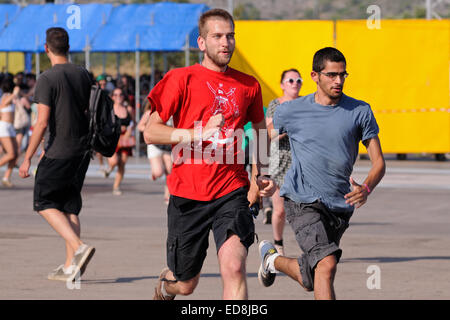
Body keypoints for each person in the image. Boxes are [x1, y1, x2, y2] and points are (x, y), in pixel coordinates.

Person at [144, 8, 276, 300]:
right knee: (186, 284)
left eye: (230, 36)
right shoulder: (181, 78)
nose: (225, 42)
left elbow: (259, 129)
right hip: (187, 194)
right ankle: (166, 288)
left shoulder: (248, 84)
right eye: (217, 36)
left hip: (231, 191)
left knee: (234, 267)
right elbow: (151, 132)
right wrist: (194, 134)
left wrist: (262, 172)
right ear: (201, 43)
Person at [257, 47, 386, 300]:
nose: (338, 81)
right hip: (302, 199)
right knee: (326, 265)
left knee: (311, 277)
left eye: (342, 75)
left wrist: (367, 187)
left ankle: (272, 261)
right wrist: (256, 178)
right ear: (315, 76)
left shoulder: (360, 111)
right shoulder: (293, 110)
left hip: (339, 204)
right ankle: (273, 260)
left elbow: (379, 162)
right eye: (331, 75)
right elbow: (263, 138)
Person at [19, 27, 95, 282]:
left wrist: (27, 157)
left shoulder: (47, 78)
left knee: (44, 202)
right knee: (69, 206)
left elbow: (41, 123)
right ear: (68, 47)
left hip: (58, 151)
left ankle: (79, 246)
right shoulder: (83, 74)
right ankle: (70, 266)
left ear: (46, 48)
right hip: (82, 151)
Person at [265, 68, 303, 255]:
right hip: (279, 161)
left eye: (298, 80)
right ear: (282, 85)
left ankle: (310, 245)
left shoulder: (307, 104)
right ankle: (278, 243)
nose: (295, 84)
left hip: (301, 161)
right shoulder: (275, 105)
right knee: (279, 210)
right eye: (290, 80)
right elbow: (270, 133)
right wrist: (287, 130)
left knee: (302, 209)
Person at [138, 100, 172, 204]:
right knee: (158, 172)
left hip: (167, 144)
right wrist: (151, 132)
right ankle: (154, 173)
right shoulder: (150, 113)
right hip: (154, 144)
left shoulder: (172, 113)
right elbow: (140, 126)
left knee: (170, 171)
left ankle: (168, 195)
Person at [103, 87, 135, 196]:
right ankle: (109, 169)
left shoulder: (128, 109)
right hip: (113, 137)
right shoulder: (109, 109)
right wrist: (117, 128)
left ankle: (116, 186)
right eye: (115, 95)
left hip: (125, 138)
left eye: (120, 94)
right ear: (112, 97)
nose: (118, 97)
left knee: (122, 164)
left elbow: (132, 122)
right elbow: (104, 124)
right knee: (114, 161)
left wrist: (129, 131)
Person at [0, 78, 19, 187]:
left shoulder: (11, 97)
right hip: (3, 127)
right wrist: (15, 93)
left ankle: (6, 177)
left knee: (15, 154)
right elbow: (4, 103)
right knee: (10, 153)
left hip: (10, 127)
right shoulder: (6, 96)